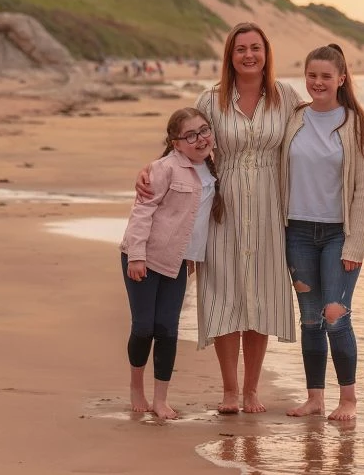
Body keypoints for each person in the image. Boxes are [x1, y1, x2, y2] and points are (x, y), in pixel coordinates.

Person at [137, 22, 304, 414]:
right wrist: (149, 170)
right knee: (225, 294)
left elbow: (319, 130)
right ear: (230, 56)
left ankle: (251, 391)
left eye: (255, 48)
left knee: (259, 297)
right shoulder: (211, 100)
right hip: (219, 207)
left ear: (266, 53)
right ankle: (229, 390)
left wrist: (362, 130)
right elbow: (181, 145)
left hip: (269, 208)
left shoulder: (288, 97)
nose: (249, 55)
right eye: (240, 49)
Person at [280, 44, 364, 421]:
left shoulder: (356, 124)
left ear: (341, 79)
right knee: (309, 319)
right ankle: (315, 398)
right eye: (311, 75)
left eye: (325, 76)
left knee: (336, 314)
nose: (317, 82)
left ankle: (348, 400)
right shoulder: (295, 118)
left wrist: (355, 244)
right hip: (299, 232)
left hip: (339, 234)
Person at [120, 107, 223, 419]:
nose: (200, 139)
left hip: (177, 263)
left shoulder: (214, 167)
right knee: (144, 327)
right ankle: (136, 388)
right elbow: (142, 210)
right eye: (190, 136)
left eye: (204, 130)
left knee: (167, 329)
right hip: (144, 256)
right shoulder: (164, 169)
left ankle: (161, 398)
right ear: (176, 143)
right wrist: (137, 256)